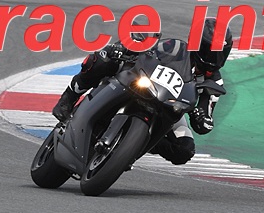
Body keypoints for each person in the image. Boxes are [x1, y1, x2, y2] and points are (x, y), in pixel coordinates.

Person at [51, 18, 233, 165]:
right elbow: (149, 49)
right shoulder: (176, 48)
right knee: (104, 58)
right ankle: (69, 97)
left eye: (220, 52)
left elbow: (205, 123)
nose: (213, 57)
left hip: (170, 107)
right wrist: (127, 48)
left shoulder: (214, 82)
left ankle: (131, 147)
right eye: (209, 49)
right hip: (142, 82)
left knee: (184, 150)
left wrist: (200, 116)